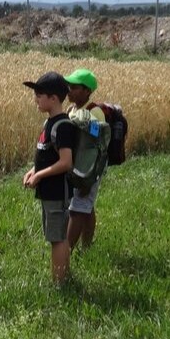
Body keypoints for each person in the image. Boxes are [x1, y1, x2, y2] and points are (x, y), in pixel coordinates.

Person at [21, 72, 77, 284]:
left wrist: (40, 175)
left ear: (53, 98)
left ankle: (59, 283)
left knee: (58, 238)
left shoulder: (63, 126)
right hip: (48, 190)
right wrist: (33, 170)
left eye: (39, 94)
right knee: (54, 235)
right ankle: (61, 278)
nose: (35, 99)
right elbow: (46, 154)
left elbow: (65, 162)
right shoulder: (50, 123)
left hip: (57, 191)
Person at [63, 69, 107, 250]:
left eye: (74, 87)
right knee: (86, 206)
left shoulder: (95, 112)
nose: (69, 90)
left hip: (89, 168)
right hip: (77, 166)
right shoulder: (71, 109)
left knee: (77, 208)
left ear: (87, 91)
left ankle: (67, 250)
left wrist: (89, 179)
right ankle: (87, 247)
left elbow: (99, 144)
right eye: (69, 86)